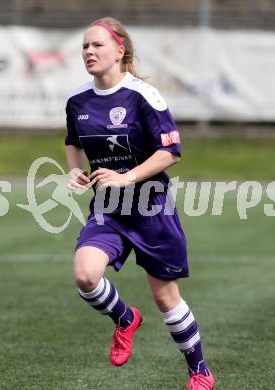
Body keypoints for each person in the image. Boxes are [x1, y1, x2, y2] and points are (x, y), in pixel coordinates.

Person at [65, 16, 215, 390]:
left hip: (150, 207)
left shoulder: (143, 96)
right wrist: (74, 171)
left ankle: (200, 371)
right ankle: (125, 318)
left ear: (120, 51)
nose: (89, 51)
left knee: (166, 298)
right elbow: (72, 140)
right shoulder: (77, 100)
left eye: (97, 45)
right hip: (108, 208)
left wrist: (126, 177)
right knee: (85, 275)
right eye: (85, 45)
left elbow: (171, 152)